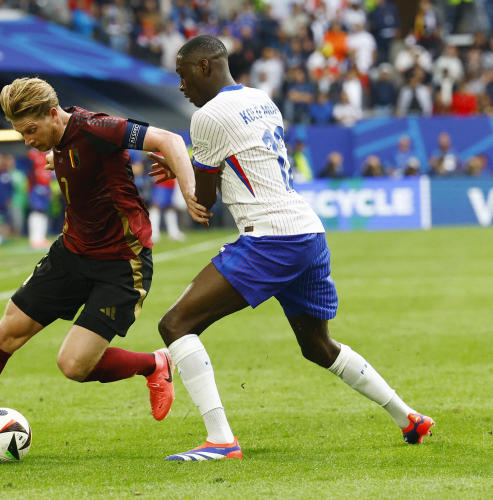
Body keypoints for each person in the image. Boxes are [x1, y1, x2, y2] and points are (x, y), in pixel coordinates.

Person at [0, 77, 208, 455]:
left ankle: (154, 364)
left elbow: (169, 140)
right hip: (70, 254)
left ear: (54, 113)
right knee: (6, 333)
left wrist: (189, 191)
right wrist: (54, 153)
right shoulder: (60, 138)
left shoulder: (99, 128)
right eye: (21, 133)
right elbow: (69, 154)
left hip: (121, 263)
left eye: (31, 130)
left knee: (73, 365)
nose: (27, 141)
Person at [148, 35, 434, 461]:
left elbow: (202, 205)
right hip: (306, 232)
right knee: (318, 346)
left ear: (204, 67)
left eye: (183, 74)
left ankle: (221, 440)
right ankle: (408, 417)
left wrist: (179, 167)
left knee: (175, 325)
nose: (181, 86)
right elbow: (239, 158)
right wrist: (191, 163)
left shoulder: (208, 117)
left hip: (269, 238)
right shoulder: (262, 99)